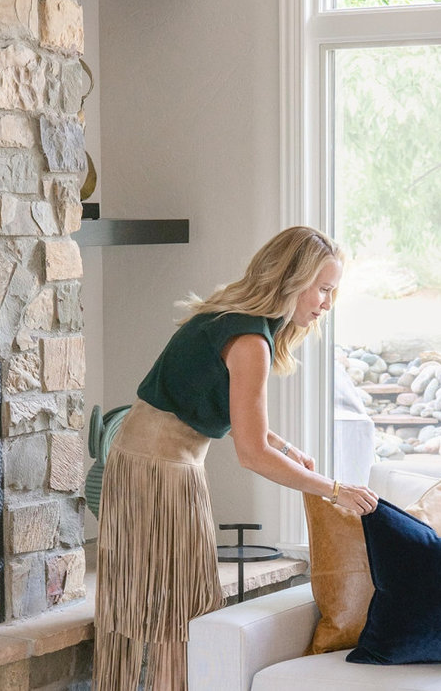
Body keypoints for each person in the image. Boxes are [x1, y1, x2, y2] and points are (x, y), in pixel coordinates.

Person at [93, 226, 378, 690]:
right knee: (181, 613)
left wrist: (289, 450)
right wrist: (336, 490)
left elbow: (241, 422)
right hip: (164, 470)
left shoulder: (231, 316)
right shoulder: (250, 343)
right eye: (324, 289)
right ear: (294, 280)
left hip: (140, 458)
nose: (327, 302)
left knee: (147, 608)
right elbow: (252, 454)